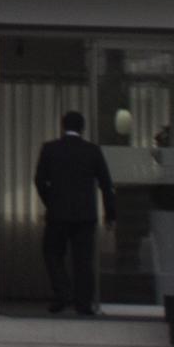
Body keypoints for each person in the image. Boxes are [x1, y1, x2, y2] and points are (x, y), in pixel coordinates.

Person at [33, 108, 117, 316]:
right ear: (82, 128)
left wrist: (50, 201)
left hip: (58, 213)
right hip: (85, 215)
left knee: (52, 253)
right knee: (83, 260)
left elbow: (39, 180)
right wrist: (110, 213)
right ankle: (83, 303)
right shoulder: (92, 151)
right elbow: (106, 184)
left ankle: (62, 292)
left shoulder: (50, 149)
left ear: (63, 126)